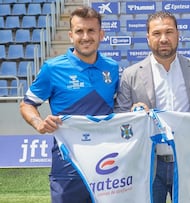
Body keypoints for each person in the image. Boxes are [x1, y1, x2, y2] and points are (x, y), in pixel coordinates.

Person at [114, 11, 190, 203]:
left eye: (169, 32)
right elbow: (119, 118)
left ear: (178, 34)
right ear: (147, 38)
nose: (163, 39)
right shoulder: (131, 74)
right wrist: (132, 114)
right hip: (149, 164)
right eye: (156, 33)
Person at [19, 6, 119, 203]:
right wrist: (38, 122)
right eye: (79, 31)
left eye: (91, 31)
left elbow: (119, 108)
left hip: (107, 164)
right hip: (68, 165)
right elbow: (27, 104)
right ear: (71, 35)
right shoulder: (53, 68)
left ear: (101, 34)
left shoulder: (112, 68)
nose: (85, 37)